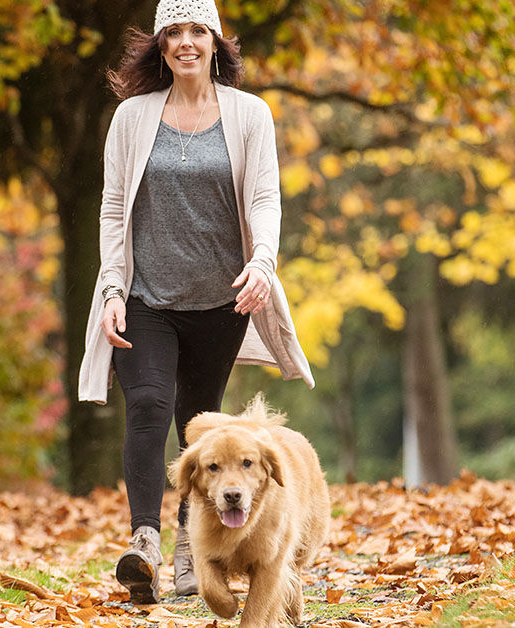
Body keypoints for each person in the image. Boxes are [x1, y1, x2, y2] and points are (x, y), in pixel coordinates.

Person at [77, 0, 314, 604]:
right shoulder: (131, 118)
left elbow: (265, 199)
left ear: (215, 41)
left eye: (197, 30)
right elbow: (111, 210)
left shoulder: (249, 114)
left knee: (199, 421)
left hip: (220, 301)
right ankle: (145, 544)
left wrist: (262, 263)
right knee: (149, 404)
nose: (186, 41)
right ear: (161, 46)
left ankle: (193, 548)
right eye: (174, 32)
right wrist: (110, 289)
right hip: (144, 297)